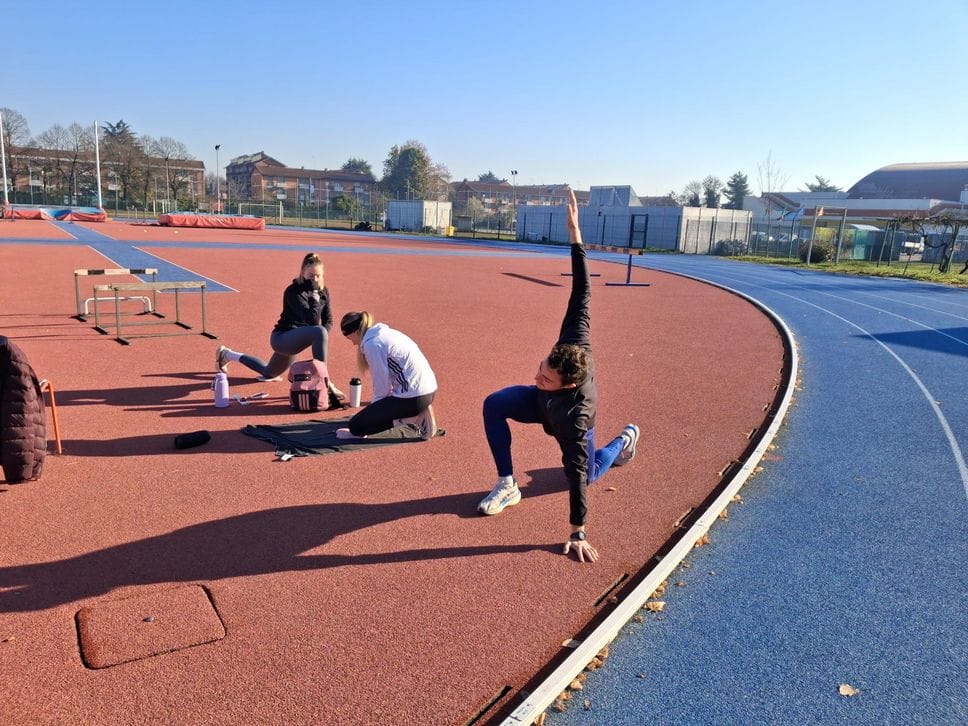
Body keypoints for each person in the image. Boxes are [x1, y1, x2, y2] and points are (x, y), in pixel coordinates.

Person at [476, 189, 640, 563]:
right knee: (494, 403)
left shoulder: (577, 416)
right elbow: (583, 289)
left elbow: (578, 476)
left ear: (569, 384)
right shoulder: (574, 337)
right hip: (543, 405)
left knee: (587, 473)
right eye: (540, 369)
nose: (537, 377)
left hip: (564, 419)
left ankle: (624, 439)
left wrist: (577, 531)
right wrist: (575, 235)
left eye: (546, 378)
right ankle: (507, 484)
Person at [215, 253, 343, 399]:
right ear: (302, 273)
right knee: (319, 331)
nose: (315, 279)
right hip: (282, 338)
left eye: (318, 276)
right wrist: (314, 294)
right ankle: (326, 382)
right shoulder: (293, 291)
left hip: (297, 340)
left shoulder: (323, 291)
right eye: (311, 275)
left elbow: (328, 320)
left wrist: (322, 336)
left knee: (269, 373)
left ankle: (227, 354)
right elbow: (313, 320)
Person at [336, 311, 438, 440]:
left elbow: (382, 387)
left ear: (355, 332)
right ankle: (417, 411)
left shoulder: (372, 345)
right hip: (428, 391)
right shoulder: (386, 333)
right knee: (366, 417)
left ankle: (413, 418)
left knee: (356, 426)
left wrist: (372, 416)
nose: (353, 343)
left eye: (350, 338)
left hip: (413, 398)